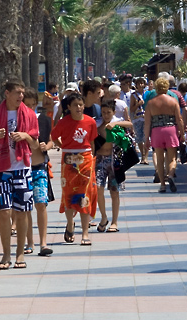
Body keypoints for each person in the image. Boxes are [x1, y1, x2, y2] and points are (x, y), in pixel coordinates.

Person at [0, 80, 40, 270]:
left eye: (22, 93)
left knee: (23, 211)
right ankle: (6, 254)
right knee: (4, 211)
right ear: (7, 93)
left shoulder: (30, 115)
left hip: (22, 168)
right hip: (2, 170)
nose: (21, 96)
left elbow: (35, 145)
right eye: (17, 92)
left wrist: (25, 136)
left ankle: (20, 254)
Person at [51, 92, 98, 246]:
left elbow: (91, 142)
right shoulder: (64, 122)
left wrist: (92, 158)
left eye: (81, 104)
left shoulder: (90, 122)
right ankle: (70, 223)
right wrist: (63, 147)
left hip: (85, 160)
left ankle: (85, 233)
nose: (78, 108)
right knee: (69, 195)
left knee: (84, 196)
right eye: (75, 105)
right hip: (68, 161)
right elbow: (53, 136)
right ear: (69, 107)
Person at [23, 91, 55, 257]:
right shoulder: (19, 121)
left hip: (39, 167)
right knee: (26, 207)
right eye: (26, 104)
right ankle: (30, 242)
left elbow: (51, 140)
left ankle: (43, 243)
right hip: (23, 169)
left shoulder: (43, 120)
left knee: (41, 204)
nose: (29, 107)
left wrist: (47, 147)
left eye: (32, 104)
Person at [94, 100, 134, 233]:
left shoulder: (117, 122)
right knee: (98, 188)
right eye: (104, 112)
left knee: (114, 191)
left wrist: (114, 123)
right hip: (99, 160)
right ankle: (104, 216)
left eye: (108, 112)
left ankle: (114, 221)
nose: (106, 115)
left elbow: (129, 123)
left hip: (114, 160)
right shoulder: (97, 123)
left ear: (113, 112)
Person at [144, 77, 184, 193]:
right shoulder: (173, 101)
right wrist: (182, 133)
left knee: (160, 159)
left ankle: (162, 185)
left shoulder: (151, 103)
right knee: (172, 158)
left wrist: (146, 138)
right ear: (167, 87)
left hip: (156, 131)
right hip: (171, 129)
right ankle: (170, 174)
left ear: (156, 88)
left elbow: (147, 123)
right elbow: (179, 119)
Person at [128, 77, 149, 166]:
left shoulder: (147, 94)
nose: (140, 85)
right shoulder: (133, 95)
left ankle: (146, 157)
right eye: (138, 83)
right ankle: (143, 155)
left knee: (147, 137)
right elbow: (131, 109)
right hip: (137, 119)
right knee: (139, 138)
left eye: (142, 83)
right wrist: (138, 104)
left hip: (147, 118)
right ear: (136, 85)